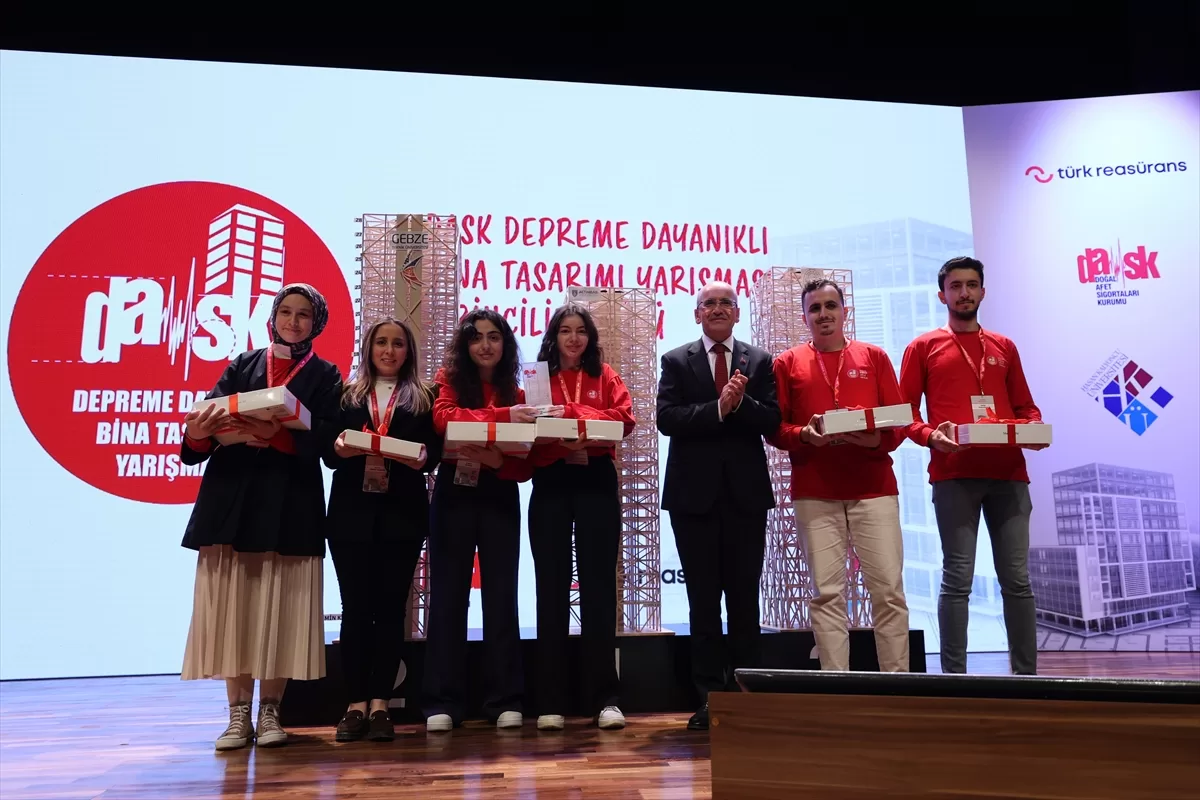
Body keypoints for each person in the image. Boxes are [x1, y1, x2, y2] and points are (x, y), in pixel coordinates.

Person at [178, 283, 343, 751]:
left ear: (317, 323)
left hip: (290, 502)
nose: (293, 321)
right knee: (235, 609)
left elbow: (328, 444)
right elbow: (201, 434)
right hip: (233, 500)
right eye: (286, 312)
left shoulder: (327, 375)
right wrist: (199, 432)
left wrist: (279, 436)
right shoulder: (242, 364)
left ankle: (271, 711)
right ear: (272, 316)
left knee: (281, 609)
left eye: (304, 315)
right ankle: (237, 715)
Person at [899, 256, 1048, 676]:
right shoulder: (923, 347)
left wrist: (1033, 430)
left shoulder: (1004, 346)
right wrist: (931, 436)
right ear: (942, 294)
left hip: (1009, 475)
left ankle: (1027, 679)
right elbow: (905, 414)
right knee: (957, 578)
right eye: (955, 286)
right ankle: (954, 680)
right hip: (954, 475)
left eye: (971, 285)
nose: (964, 293)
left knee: (1017, 580)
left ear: (983, 291)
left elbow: (1027, 408)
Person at [766, 279, 910, 673]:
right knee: (827, 594)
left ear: (845, 311)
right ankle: (836, 687)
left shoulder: (874, 356)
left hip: (874, 489)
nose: (824, 314)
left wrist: (874, 440)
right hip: (815, 491)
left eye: (831, 306)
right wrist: (805, 435)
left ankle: (898, 684)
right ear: (804, 317)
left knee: (888, 592)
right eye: (815, 308)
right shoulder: (787, 362)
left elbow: (899, 421)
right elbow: (776, 429)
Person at [656, 280, 780, 730]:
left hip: (746, 497)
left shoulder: (759, 360)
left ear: (737, 312)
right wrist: (717, 409)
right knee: (703, 603)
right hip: (693, 499)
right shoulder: (676, 360)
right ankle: (709, 698)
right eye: (709, 303)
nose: (718, 308)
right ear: (697, 313)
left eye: (726, 302)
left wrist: (740, 404)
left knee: (745, 600)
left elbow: (772, 419)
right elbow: (666, 419)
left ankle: (748, 699)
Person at [324, 318, 442, 743]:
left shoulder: (425, 396)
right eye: (381, 343)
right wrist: (340, 447)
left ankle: (380, 705)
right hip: (350, 515)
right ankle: (354, 704)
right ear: (368, 349)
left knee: (392, 610)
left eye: (397, 344)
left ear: (409, 351)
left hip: (402, 515)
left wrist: (423, 456)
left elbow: (434, 453)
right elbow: (327, 451)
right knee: (355, 608)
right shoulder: (345, 394)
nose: (389, 351)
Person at [423, 309, 539, 731]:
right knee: (448, 596)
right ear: (465, 345)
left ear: (505, 344)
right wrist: (502, 419)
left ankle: (505, 698)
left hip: (499, 494)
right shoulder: (448, 381)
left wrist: (497, 460)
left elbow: (527, 465)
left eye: (494, 337)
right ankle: (441, 700)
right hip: (453, 494)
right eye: (476, 338)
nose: (485, 345)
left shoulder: (519, 393)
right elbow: (445, 420)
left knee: (502, 596)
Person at [527, 303, 636, 731]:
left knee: (598, 589)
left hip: (596, 480)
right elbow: (530, 428)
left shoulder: (604, 375)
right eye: (565, 331)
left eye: (581, 331)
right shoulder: (536, 377)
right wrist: (580, 425)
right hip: (551, 480)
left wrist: (573, 416)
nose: (573, 339)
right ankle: (549, 701)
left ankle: (605, 699)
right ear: (553, 337)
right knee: (550, 589)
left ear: (590, 338)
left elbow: (624, 420)